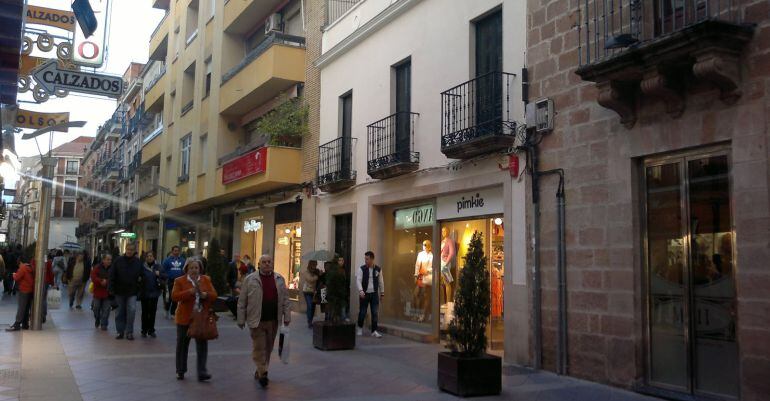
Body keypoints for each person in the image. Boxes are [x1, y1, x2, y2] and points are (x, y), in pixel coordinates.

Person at [237, 254, 291, 388]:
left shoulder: (279, 279)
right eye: (264, 262)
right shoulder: (250, 279)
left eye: (269, 262)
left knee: (268, 347)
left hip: (273, 319)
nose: (267, 264)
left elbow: (285, 299)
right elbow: (242, 301)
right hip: (256, 320)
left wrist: (287, 316)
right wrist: (241, 318)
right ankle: (263, 373)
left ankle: (260, 369)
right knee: (259, 346)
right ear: (259, 264)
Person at [172, 259, 216, 381]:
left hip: (201, 317)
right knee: (182, 344)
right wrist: (189, 292)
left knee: (202, 344)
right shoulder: (179, 281)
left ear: (200, 269)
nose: (194, 270)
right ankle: (180, 370)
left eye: (196, 268)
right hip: (184, 318)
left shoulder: (206, 280)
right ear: (186, 269)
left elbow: (214, 295)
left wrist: (206, 295)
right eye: (191, 268)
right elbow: (174, 296)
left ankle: (202, 371)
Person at [109, 244, 142, 340]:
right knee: (119, 312)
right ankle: (120, 331)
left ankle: (129, 332)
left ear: (134, 251)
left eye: (131, 250)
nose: (129, 251)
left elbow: (142, 275)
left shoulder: (137, 262)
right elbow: (112, 275)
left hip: (132, 291)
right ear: (125, 249)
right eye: (128, 249)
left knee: (131, 311)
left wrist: (140, 287)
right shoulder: (118, 261)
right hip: (119, 291)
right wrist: (111, 289)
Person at [356, 251, 384, 338]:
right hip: (364, 294)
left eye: (367, 259)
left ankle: (374, 331)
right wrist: (361, 291)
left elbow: (381, 282)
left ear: (372, 259)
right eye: (365, 259)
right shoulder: (362, 269)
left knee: (375, 313)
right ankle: (360, 328)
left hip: (374, 294)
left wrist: (382, 293)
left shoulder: (378, 269)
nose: (365, 260)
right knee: (362, 312)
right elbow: (358, 280)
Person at [139, 252, 165, 338]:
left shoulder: (158, 266)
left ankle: (151, 330)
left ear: (154, 257)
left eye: (151, 256)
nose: (149, 258)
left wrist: (159, 274)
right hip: (145, 292)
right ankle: (144, 330)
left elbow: (165, 276)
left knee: (152, 312)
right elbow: (138, 278)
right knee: (145, 312)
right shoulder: (142, 267)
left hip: (154, 292)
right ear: (145, 258)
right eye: (148, 256)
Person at [6, 256, 34, 331]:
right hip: (30, 290)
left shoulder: (23, 267)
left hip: (24, 289)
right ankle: (25, 324)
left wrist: (14, 274)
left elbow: (17, 278)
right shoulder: (30, 267)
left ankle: (17, 324)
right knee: (26, 308)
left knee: (21, 307)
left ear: (21, 262)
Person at [162, 246, 186, 318]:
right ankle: (166, 309)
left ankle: (173, 312)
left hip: (179, 281)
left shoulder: (182, 260)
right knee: (169, 297)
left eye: (178, 251)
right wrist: (166, 277)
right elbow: (163, 270)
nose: (176, 252)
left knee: (176, 297)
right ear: (172, 251)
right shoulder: (167, 260)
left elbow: (184, 270)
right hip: (170, 281)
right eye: (175, 251)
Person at [91, 254, 113, 330]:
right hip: (98, 292)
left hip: (108, 292)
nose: (109, 261)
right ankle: (97, 318)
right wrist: (100, 281)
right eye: (108, 259)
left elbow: (114, 278)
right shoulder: (97, 267)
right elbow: (93, 277)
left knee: (106, 309)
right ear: (103, 260)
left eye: (110, 259)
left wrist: (107, 282)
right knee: (96, 308)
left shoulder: (112, 269)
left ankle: (104, 324)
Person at [301, 260, 320, 328]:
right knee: (310, 306)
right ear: (310, 265)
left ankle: (310, 320)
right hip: (307, 291)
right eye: (314, 265)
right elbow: (310, 279)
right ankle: (309, 321)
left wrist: (319, 273)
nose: (315, 266)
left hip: (314, 292)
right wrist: (317, 276)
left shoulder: (316, 272)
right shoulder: (306, 272)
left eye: (315, 265)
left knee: (313, 307)